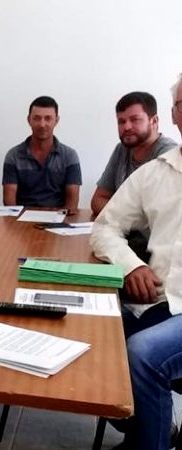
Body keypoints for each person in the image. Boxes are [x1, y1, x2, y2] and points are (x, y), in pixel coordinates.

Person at [90, 74, 182, 450]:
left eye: (134, 119)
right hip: (162, 301)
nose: (126, 127)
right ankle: (151, 431)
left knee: (142, 353)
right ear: (175, 114)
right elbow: (104, 226)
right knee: (89, 332)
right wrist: (133, 265)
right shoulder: (155, 173)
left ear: (157, 121)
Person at [91, 91, 177, 216]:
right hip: (121, 227)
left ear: (154, 121)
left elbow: (161, 214)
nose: (126, 127)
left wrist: (118, 215)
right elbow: (98, 200)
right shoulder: (121, 150)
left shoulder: (169, 153)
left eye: (134, 120)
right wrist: (128, 217)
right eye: (121, 121)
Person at [2, 96, 82, 213]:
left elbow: (72, 203)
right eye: (37, 118)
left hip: (58, 219)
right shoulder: (13, 156)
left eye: (48, 118)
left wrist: (59, 220)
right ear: (29, 120)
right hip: (21, 219)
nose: (42, 124)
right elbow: (9, 203)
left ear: (56, 120)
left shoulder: (69, 156)